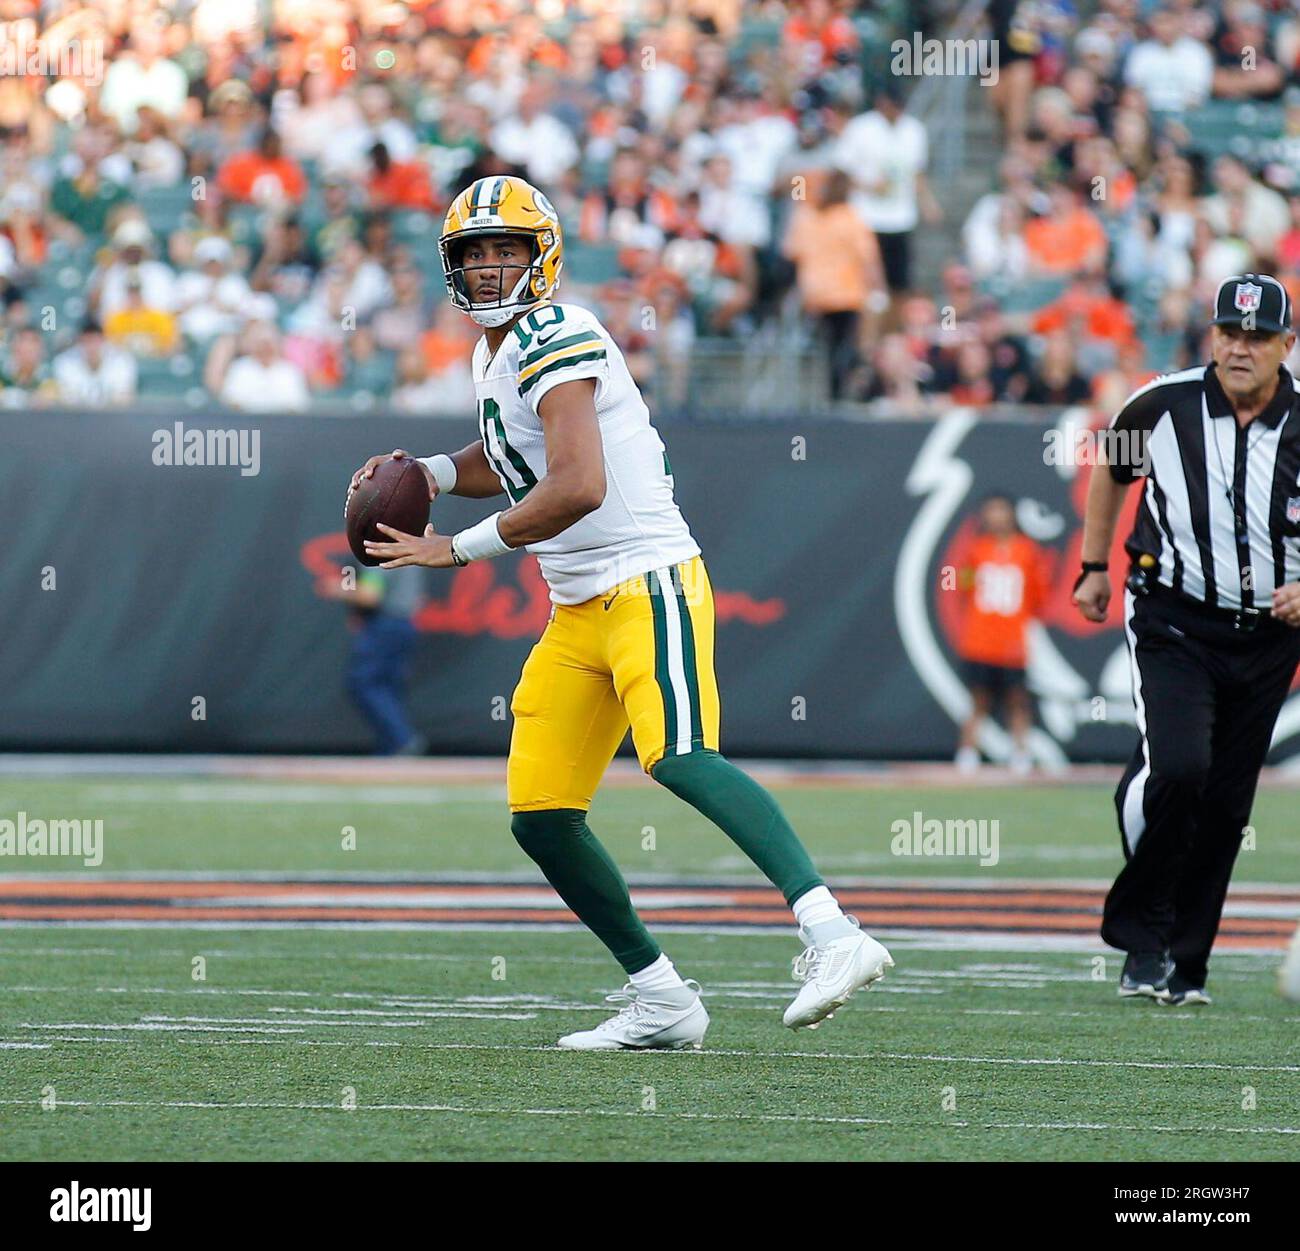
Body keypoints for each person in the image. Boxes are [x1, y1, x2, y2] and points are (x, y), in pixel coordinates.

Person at [351, 175, 893, 1049]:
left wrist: (452, 548)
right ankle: (662, 997)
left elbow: (577, 482)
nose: (490, 268)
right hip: (577, 606)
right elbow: (512, 456)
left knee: (679, 756)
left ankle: (835, 934)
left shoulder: (557, 332)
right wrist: (431, 473)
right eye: (474, 253)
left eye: (507, 250)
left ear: (543, 256)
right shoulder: (496, 350)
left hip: (647, 579)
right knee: (541, 814)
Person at [1073, 273, 1300, 1007]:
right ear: (1212, 335)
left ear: (1285, 347)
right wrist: (1091, 565)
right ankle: (1143, 938)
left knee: (1228, 805)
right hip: (1174, 618)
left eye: (1258, 337)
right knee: (1178, 766)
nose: (1240, 348)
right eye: (1229, 334)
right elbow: (1111, 470)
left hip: (1268, 637)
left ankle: (1186, 964)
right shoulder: (1163, 402)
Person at [953, 494, 1048, 774]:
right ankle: (968, 751)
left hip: (1012, 644)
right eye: (991, 511)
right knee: (978, 700)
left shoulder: (1028, 551)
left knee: (1017, 700)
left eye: (1002, 510)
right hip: (979, 642)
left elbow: (1038, 596)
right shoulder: (975, 549)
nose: (997, 517)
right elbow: (962, 585)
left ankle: (1020, 753)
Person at [319, 566, 428, 757]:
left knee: (364, 682)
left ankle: (402, 740)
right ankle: (392, 748)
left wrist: (336, 588)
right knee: (388, 686)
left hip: (386, 624)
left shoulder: (380, 551)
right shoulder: (405, 544)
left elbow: (370, 595)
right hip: (404, 624)